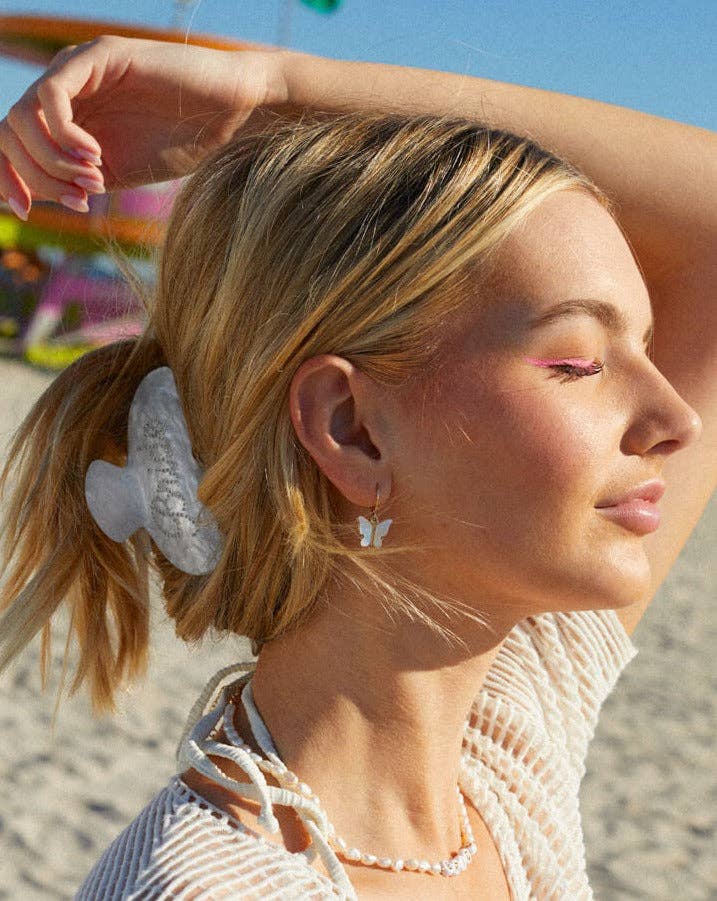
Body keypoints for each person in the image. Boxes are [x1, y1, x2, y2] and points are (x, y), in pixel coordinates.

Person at [0, 37, 714, 901]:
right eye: (575, 363)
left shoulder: (498, 751)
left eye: (643, 345)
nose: (673, 419)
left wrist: (275, 96)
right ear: (352, 430)